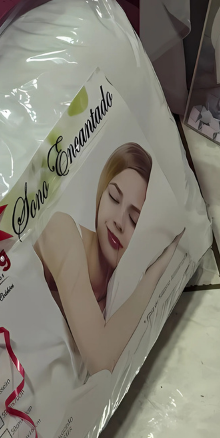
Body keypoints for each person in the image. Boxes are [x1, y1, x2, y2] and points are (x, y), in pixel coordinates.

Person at [34, 142, 180, 376]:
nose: (119, 221)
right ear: (101, 193)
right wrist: (158, 269)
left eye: (133, 220)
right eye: (113, 197)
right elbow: (100, 360)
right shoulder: (61, 230)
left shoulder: (119, 283)